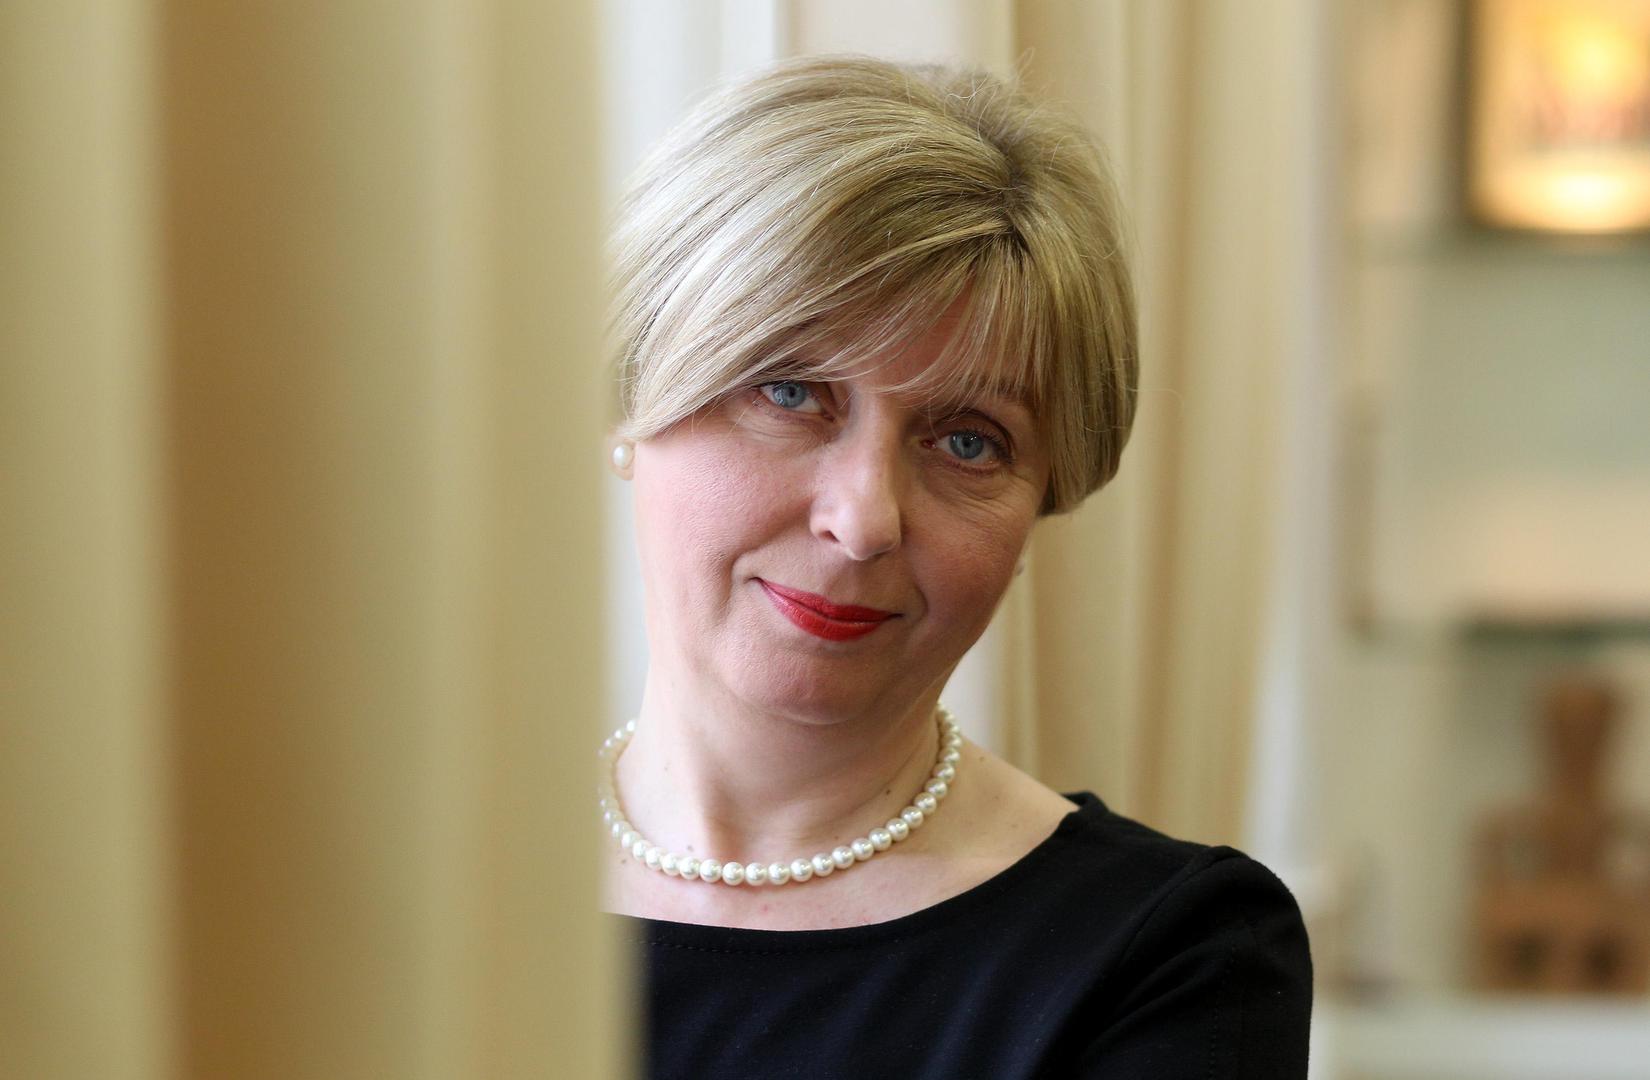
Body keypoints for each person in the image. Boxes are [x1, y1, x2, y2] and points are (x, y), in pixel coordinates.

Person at [597, 54, 1312, 1078]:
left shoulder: (1169, 958)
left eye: (968, 442)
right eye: (792, 393)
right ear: (635, 397)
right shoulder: (428, 886)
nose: (863, 521)